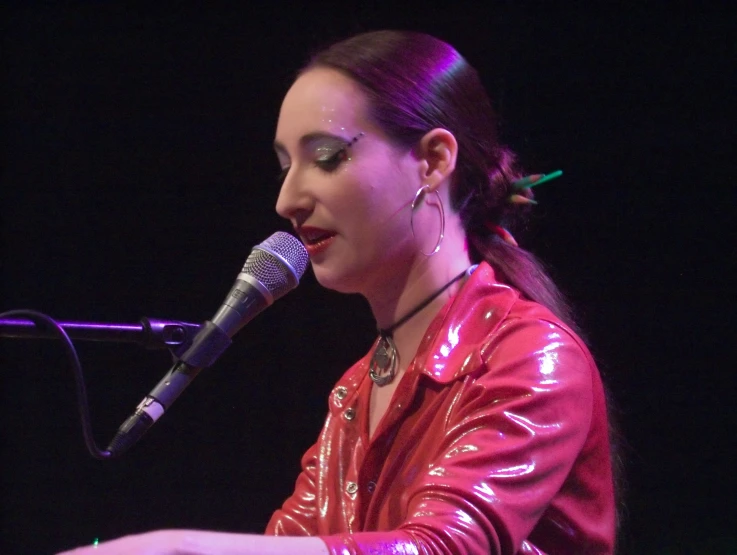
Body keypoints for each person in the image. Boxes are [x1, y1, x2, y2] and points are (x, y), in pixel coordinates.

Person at [60, 30, 617, 554]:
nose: (288, 200)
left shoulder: (529, 356)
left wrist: (179, 547)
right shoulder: (353, 394)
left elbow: (442, 548)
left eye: (325, 157)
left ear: (433, 160)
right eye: (284, 166)